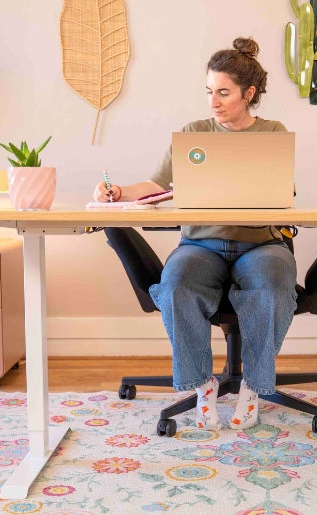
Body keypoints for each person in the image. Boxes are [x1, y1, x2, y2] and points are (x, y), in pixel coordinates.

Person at [92, 37, 296, 431]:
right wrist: (118, 192)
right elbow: (156, 185)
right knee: (175, 284)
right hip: (201, 244)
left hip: (260, 242)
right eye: (209, 91)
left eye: (224, 92)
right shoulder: (194, 132)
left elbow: (283, 193)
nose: (213, 102)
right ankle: (203, 385)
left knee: (273, 285)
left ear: (249, 94)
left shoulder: (273, 132)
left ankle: (253, 386)